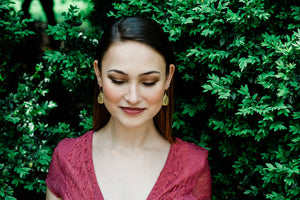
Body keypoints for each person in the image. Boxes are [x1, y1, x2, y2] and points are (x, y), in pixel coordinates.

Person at [45, 16, 212, 200]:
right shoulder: (66, 158)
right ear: (99, 74)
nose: (133, 97)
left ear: (168, 78)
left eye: (148, 82)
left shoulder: (194, 166)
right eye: (118, 80)